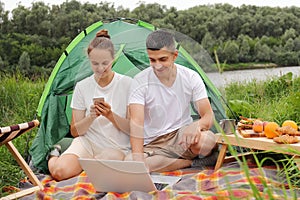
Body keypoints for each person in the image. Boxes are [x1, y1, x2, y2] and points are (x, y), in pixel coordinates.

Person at [48, 29, 132, 181]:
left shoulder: (127, 84)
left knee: (99, 172)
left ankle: (86, 165)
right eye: (95, 64)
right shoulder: (82, 86)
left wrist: (110, 116)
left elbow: (132, 129)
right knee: (59, 173)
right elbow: (74, 131)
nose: (100, 68)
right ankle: (54, 155)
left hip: (116, 147)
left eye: (105, 63)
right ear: (89, 61)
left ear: (113, 58)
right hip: (87, 143)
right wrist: (91, 117)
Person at [127, 30, 217, 172]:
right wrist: (137, 157)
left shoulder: (190, 77)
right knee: (132, 162)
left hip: (181, 137)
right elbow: (136, 122)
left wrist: (197, 125)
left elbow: (208, 116)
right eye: (152, 60)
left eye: (163, 59)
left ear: (174, 55)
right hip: (153, 144)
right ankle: (186, 163)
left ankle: (173, 161)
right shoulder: (139, 81)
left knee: (208, 140)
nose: (157, 65)